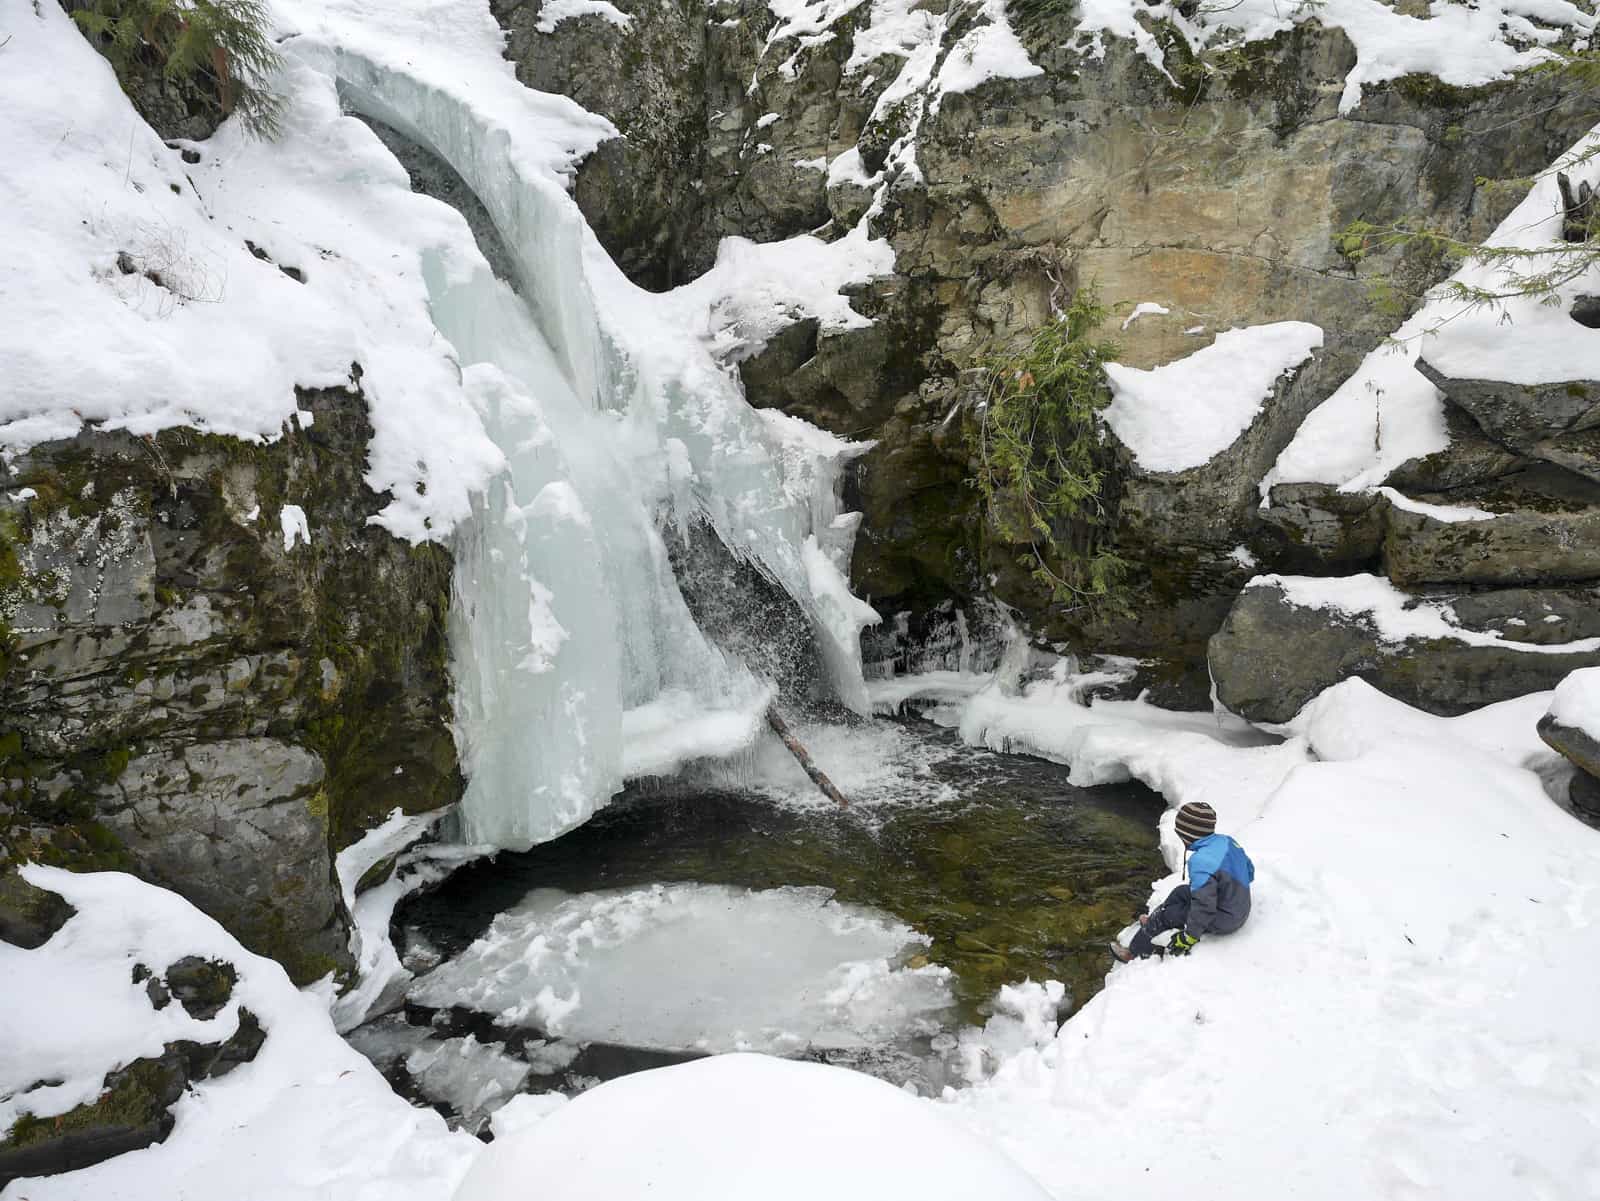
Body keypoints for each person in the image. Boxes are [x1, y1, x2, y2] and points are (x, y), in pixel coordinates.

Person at [1110, 800, 1254, 962]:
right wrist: (1230, 891)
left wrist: (1189, 937)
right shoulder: (1226, 841)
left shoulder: (1201, 862)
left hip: (1226, 919)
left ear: (1189, 834)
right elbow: (1250, 870)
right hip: (1237, 906)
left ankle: (1134, 953)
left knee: (1168, 915)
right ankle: (1153, 923)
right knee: (1180, 892)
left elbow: (1204, 907)